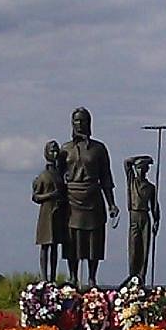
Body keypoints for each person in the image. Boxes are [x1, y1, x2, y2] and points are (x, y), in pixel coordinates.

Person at [60, 107, 118, 289]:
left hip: (93, 197)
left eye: (83, 120)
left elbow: (106, 177)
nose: (79, 124)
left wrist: (112, 204)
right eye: (76, 121)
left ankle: (92, 278)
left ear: (89, 123)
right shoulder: (65, 149)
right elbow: (57, 175)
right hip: (72, 198)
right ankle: (73, 277)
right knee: (72, 239)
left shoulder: (99, 149)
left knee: (94, 238)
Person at [31, 140, 68, 282]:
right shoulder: (43, 176)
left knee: (55, 247)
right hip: (46, 214)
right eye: (51, 151)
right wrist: (50, 195)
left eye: (56, 151)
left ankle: (52, 278)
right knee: (45, 246)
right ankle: (44, 278)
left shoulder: (60, 175)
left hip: (58, 214)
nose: (54, 153)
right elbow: (35, 196)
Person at [124, 155, 160, 282]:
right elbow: (127, 162)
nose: (139, 170)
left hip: (145, 216)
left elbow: (155, 205)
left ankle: (141, 277)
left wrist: (157, 220)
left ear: (146, 170)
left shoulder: (150, 187)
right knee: (134, 249)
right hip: (134, 215)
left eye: (142, 168)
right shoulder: (131, 182)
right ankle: (132, 276)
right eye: (138, 168)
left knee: (144, 249)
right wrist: (146, 158)